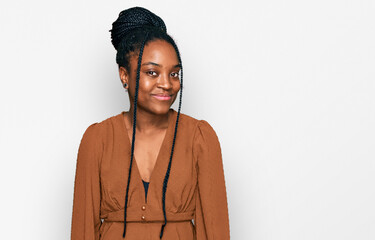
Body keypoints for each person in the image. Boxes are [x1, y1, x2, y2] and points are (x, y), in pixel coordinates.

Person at [70, 6, 230, 240]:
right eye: (152, 73)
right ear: (125, 75)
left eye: (174, 74)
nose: (166, 84)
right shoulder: (97, 140)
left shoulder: (200, 138)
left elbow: (215, 230)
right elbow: (82, 230)